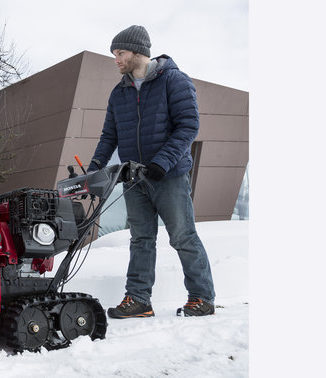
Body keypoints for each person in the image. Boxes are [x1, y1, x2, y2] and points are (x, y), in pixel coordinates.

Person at [88, 25, 216, 318]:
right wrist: (95, 167)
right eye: (114, 54)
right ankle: (138, 299)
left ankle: (202, 297)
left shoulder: (174, 81)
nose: (116, 59)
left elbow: (188, 126)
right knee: (140, 239)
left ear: (138, 52)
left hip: (169, 175)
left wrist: (163, 162)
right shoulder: (119, 92)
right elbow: (110, 136)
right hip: (134, 178)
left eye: (120, 53)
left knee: (182, 236)